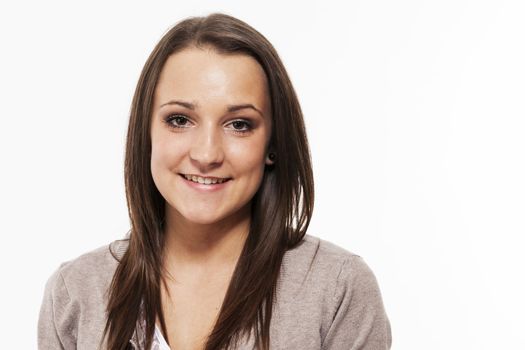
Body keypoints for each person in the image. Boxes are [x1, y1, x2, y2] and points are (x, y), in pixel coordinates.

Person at [37, 13, 392, 350]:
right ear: (146, 132)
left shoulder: (336, 288)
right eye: (179, 120)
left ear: (272, 145)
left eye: (239, 124)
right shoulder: (76, 293)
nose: (207, 154)